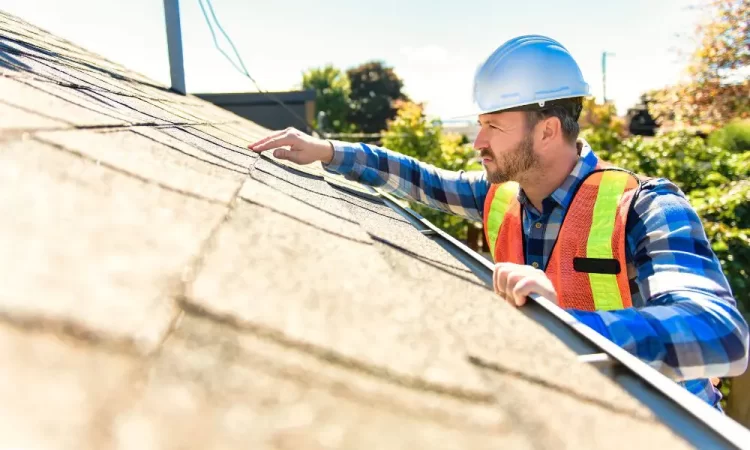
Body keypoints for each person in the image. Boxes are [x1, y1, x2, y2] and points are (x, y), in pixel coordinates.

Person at [248, 35, 748, 411]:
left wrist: (573, 328)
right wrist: (329, 151)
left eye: (493, 126)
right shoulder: (505, 196)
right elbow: (422, 178)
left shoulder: (646, 207)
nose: (477, 142)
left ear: (548, 130)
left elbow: (724, 333)